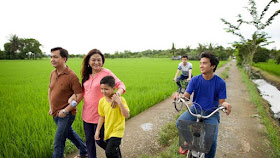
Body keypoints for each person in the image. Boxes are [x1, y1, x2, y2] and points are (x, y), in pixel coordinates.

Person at [174, 52, 232, 158]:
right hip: (195, 109)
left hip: (211, 113)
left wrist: (225, 104)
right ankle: (190, 142)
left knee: (212, 142)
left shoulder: (220, 83)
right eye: (200, 63)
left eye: (204, 63)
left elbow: (221, 102)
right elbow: (186, 96)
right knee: (180, 123)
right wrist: (179, 97)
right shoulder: (195, 80)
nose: (201, 65)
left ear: (213, 66)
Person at [81, 49, 126, 158]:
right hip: (87, 114)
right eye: (93, 60)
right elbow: (82, 93)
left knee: (101, 141)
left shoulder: (106, 73)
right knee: (89, 142)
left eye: (99, 60)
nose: (96, 62)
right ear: (88, 61)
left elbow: (121, 85)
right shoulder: (86, 75)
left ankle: (115, 154)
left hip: (101, 115)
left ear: (102, 61)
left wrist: (117, 96)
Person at [48, 47, 87, 158]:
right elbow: (50, 90)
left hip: (66, 115)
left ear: (64, 59)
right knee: (70, 134)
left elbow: (79, 95)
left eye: (55, 57)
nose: (52, 59)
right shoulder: (53, 73)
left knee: (58, 142)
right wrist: (51, 107)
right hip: (55, 113)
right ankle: (84, 151)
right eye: (51, 57)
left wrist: (66, 110)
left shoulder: (71, 76)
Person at [95, 76, 130, 158]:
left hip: (117, 131)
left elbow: (127, 115)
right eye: (102, 89)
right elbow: (102, 117)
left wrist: (119, 103)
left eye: (106, 89)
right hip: (108, 131)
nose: (103, 91)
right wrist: (97, 131)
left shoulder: (121, 100)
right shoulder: (102, 101)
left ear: (113, 88)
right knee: (115, 151)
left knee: (109, 152)